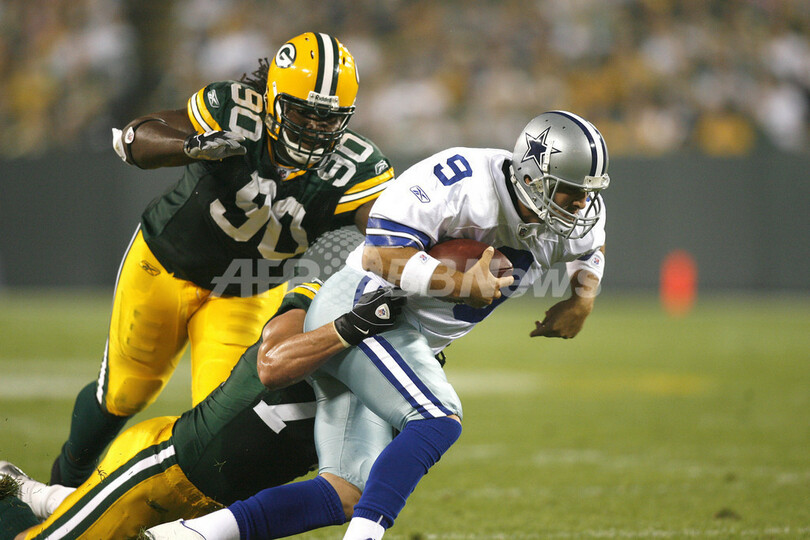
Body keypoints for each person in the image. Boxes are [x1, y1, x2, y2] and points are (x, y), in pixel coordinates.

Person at [143, 109, 610, 539]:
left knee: (345, 492)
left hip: (400, 336)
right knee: (437, 419)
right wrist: (460, 284)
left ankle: (187, 535)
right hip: (366, 309)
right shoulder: (461, 180)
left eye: (588, 193)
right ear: (530, 175)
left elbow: (591, 249)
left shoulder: (576, 214)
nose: (581, 204)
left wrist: (581, 301)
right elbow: (377, 257)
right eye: (570, 191)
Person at [51, 32, 395, 488]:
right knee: (124, 392)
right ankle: (64, 481)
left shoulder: (357, 167)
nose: (314, 128)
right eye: (301, 113)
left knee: (217, 428)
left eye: (328, 118)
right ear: (272, 100)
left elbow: (394, 236)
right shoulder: (233, 110)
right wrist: (190, 146)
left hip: (247, 290)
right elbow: (135, 138)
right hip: (165, 264)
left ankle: (156, 508)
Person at [0, 279, 404, 540]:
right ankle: (10, 497)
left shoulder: (413, 376)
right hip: (163, 470)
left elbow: (350, 488)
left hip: (225, 511)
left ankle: (40, 494)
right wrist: (349, 328)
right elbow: (271, 364)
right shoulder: (327, 298)